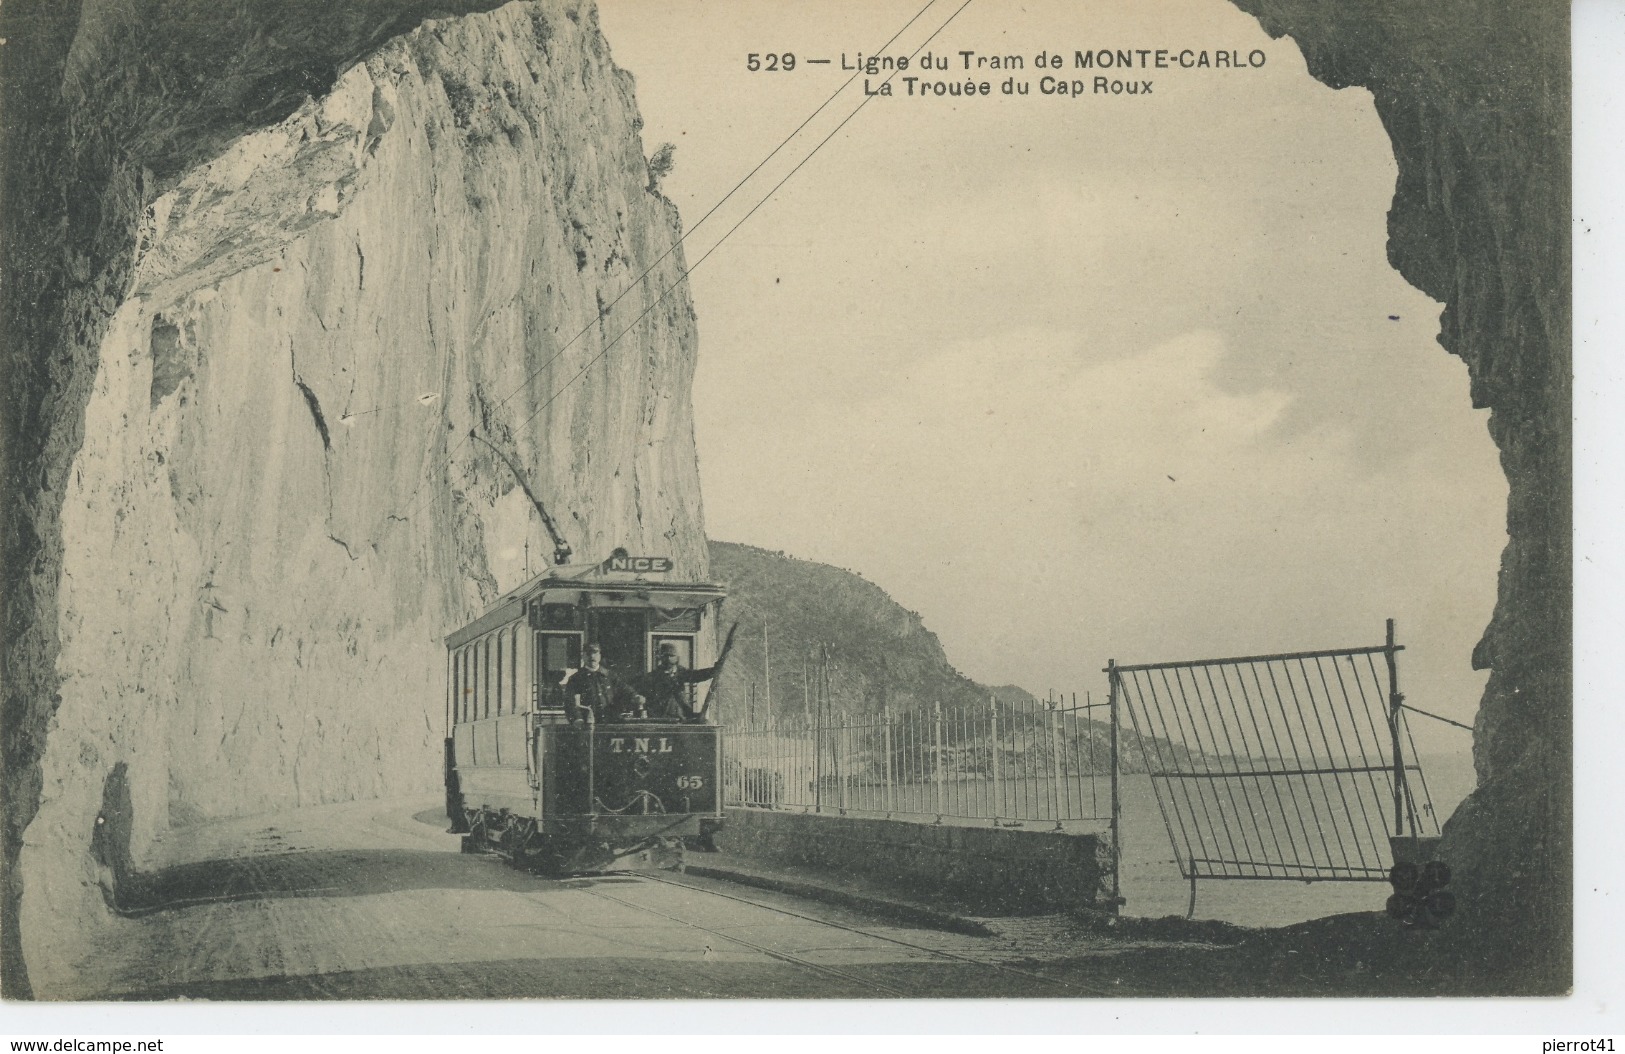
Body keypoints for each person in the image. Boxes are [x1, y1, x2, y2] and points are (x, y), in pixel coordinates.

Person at [639, 624, 738, 722]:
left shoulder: (681, 673)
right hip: (663, 719)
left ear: (676, 658)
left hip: (681, 717)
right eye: (666, 656)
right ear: (661, 658)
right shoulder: (653, 677)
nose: (669, 659)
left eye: (672, 656)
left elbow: (698, 675)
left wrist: (714, 670)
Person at [561, 644, 641, 723]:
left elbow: (624, 688)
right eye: (588, 653)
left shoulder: (610, 675)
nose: (592, 656)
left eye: (595, 652)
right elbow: (570, 702)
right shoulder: (576, 678)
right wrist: (577, 718)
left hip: (609, 722)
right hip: (587, 724)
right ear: (583, 656)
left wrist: (635, 696)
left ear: (600, 655)